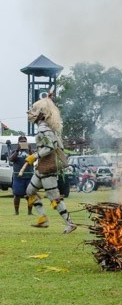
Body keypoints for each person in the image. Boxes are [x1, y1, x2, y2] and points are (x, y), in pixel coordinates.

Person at [24, 96, 77, 234]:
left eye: (34, 110)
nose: (30, 113)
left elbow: (50, 147)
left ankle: (70, 223)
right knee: (30, 192)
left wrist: (34, 156)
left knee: (53, 196)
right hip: (42, 166)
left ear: (41, 114)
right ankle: (42, 218)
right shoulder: (46, 127)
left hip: (48, 166)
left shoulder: (44, 128)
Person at [9, 136, 33, 215]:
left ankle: (30, 212)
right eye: (21, 141)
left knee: (30, 195)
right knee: (17, 195)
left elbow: (35, 159)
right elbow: (11, 159)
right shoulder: (14, 151)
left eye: (24, 141)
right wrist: (17, 150)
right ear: (18, 143)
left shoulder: (30, 151)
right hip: (18, 177)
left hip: (29, 176)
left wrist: (29, 150)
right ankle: (16, 212)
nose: (23, 143)